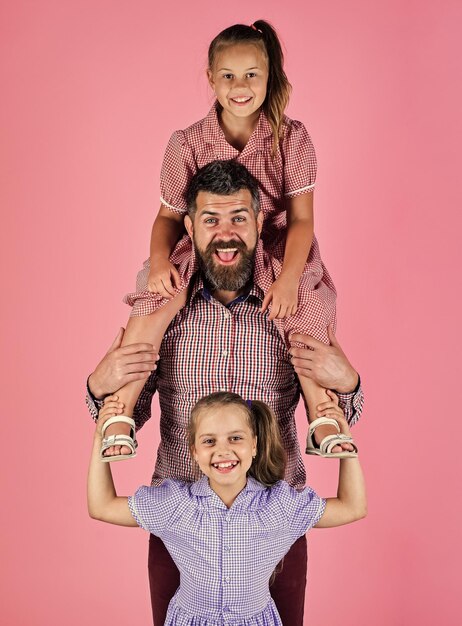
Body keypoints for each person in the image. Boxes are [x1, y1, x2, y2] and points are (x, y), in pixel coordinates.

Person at [86, 159, 364, 626]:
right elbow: (124, 412)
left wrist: (349, 380)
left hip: (274, 520)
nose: (225, 233)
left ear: (258, 222)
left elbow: (336, 415)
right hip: (181, 526)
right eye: (211, 220)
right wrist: (100, 385)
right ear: (190, 225)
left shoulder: (289, 306)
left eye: (238, 218)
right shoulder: (164, 307)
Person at [102, 20, 342, 461]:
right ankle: (119, 410)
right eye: (228, 76)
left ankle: (323, 413)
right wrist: (159, 262)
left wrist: (288, 279)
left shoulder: (292, 137)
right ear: (211, 79)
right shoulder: (188, 142)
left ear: (269, 76)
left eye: (252, 74)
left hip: (275, 248)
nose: (240, 86)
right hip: (206, 247)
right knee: (151, 300)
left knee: (306, 309)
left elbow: (302, 220)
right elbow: (167, 218)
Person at [88, 391, 367, 626]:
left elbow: (352, 507)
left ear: (255, 445)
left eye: (235, 438)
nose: (222, 451)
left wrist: (346, 441)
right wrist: (100, 436)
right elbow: (101, 506)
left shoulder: (279, 505)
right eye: (209, 441)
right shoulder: (174, 504)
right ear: (195, 452)